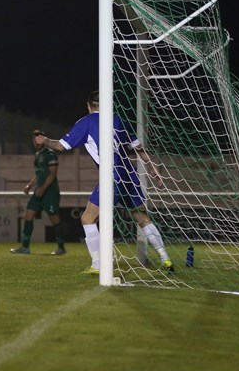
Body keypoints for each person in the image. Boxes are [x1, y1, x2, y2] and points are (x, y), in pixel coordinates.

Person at [34, 90, 174, 274]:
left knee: (87, 218)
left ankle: (98, 265)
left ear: (88, 105)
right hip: (130, 175)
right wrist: (153, 168)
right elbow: (138, 147)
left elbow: (61, 146)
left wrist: (45, 140)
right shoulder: (118, 119)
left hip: (112, 176)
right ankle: (165, 258)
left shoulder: (86, 122)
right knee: (141, 217)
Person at [10, 129, 66, 255]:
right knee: (28, 216)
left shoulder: (50, 154)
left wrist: (42, 189)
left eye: (39, 138)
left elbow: (52, 175)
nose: (37, 141)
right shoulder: (37, 154)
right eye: (35, 139)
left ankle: (61, 247)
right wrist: (30, 185)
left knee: (54, 219)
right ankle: (25, 247)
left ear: (44, 139)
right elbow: (38, 173)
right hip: (38, 192)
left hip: (50, 193)